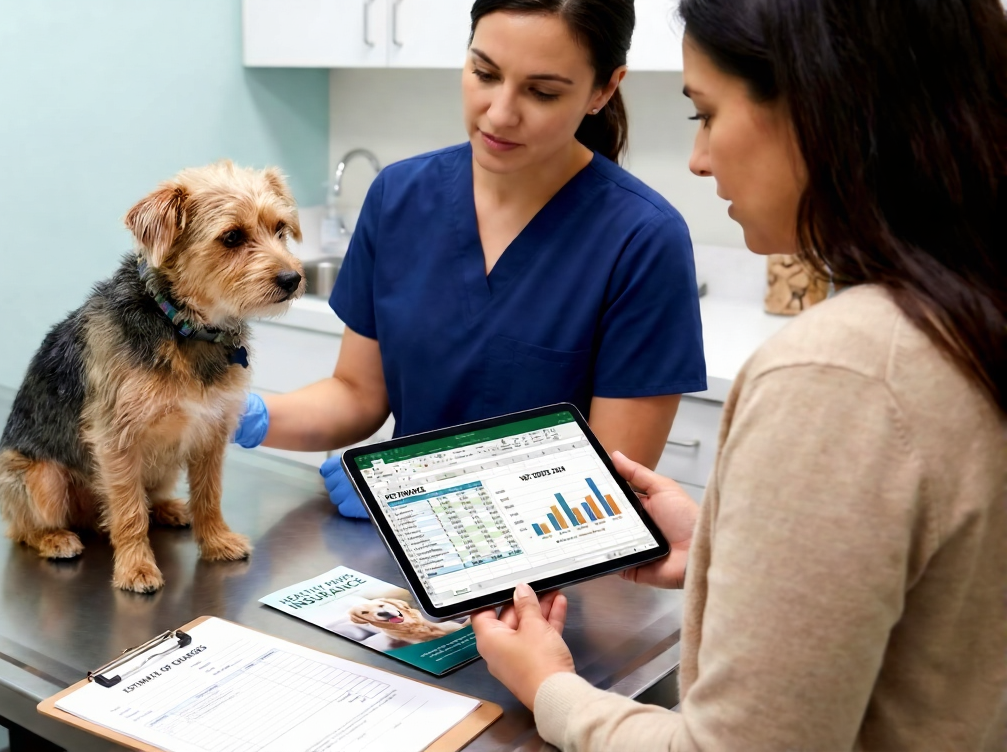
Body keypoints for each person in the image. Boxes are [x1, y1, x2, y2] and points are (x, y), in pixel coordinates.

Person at [470, 0, 1007, 748]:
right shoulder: (969, 314)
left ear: (824, 107)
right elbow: (941, 610)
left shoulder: (839, 371)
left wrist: (547, 684)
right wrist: (724, 551)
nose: (699, 158)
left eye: (705, 114)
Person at [232, 0, 708, 518]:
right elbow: (357, 393)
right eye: (484, 72)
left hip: (549, 582)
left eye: (543, 92)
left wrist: (419, 487)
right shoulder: (399, 196)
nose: (500, 113)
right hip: (402, 560)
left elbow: (610, 481)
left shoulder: (642, 240)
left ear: (604, 89)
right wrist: (237, 413)